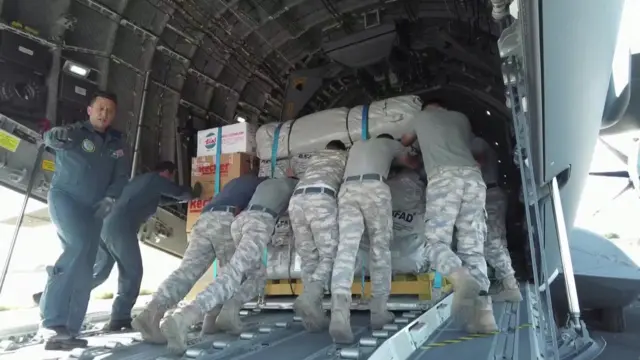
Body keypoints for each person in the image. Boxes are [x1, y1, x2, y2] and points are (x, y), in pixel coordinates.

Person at [158, 177, 299, 354]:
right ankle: (184, 317)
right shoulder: (294, 186)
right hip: (259, 223)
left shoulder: (265, 183)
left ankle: (221, 316)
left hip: (239, 222)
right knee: (233, 274)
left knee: (257, 276)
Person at [131, 174, 270, 345]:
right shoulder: (267, 185)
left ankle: (151, 312)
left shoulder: (238, 181)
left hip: (204, 219)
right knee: (243, 274)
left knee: (187, 272)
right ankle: (218, 315)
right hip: (227, 220)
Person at [39, 91, 129, 350]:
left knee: (86, 264)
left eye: (110, 110)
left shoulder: (118, 144)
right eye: (100, 108)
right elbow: (52, 138)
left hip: (96, 209)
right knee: (76, 247)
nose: (104, 114)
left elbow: (121, 177)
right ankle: (51, 319)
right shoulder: (75, 133)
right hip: (66, 199)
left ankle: (68, 331)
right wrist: (51, 135)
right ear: (89, 110)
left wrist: (111, 197)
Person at [401, 100, 498, 334]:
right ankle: (485, 319)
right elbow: (473, 151)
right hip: (474, 181)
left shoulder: (421, 117)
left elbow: (404, 142)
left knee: (435, 242)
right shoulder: (461, 118)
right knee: (473, 248)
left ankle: (460, 279)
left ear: (426, 108)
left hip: (445, 180)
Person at [88, 161, 202, 331]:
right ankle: (120, 317)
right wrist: (194, 193)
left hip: (106, 226)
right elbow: (178, 193)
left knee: (100, 272)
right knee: (132, 272)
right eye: (171, 176)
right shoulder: (155, 179)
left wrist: (184, 197)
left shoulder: (142, 182)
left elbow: (162, 200)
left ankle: (58, 296)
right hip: (121, 228)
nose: (170, 180)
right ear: (166, 172)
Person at [329, 134, 419, 344]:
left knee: (346, 250)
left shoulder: (357, 145)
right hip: (374, 189)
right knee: (380, 248)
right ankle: (379, 312)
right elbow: (410, 163)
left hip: (347, 191)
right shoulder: (392, 144)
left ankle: (339, 314)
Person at [288, 140, 348, 332]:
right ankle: (310, 297)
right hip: (321, 199)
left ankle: (313, 314)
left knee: (308, 259)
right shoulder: (343, 157)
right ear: (341, 149)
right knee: (330, 255)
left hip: (296, 200)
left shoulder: (313, 159)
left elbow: (290, 173)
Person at [471, 137, 521, 302]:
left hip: (489, 195)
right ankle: (506, 283)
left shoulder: (476, 142)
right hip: (493, 194)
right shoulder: (482, 142)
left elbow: (479, 162)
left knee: (491, 241)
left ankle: (510, 286)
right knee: (498, 239)